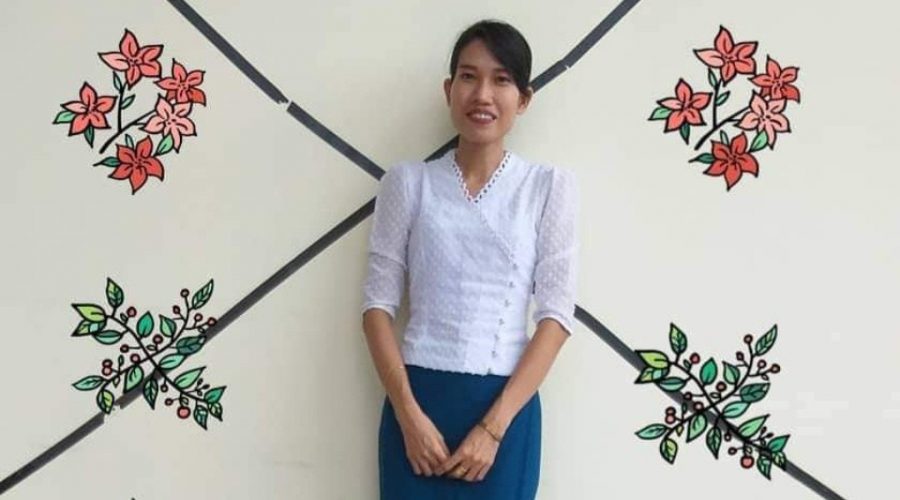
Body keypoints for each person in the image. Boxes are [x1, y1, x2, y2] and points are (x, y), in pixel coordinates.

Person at [361, 18, 579, 499]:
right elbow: (376, 308)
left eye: (501, 80)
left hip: (505, 413)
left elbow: (557, 318)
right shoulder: (407, 183)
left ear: (523, 99)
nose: (482, 94)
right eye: (468, 76)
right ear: (449, 90)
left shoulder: (547, 188)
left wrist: (493, 429)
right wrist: (408, 415)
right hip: (416, 409)